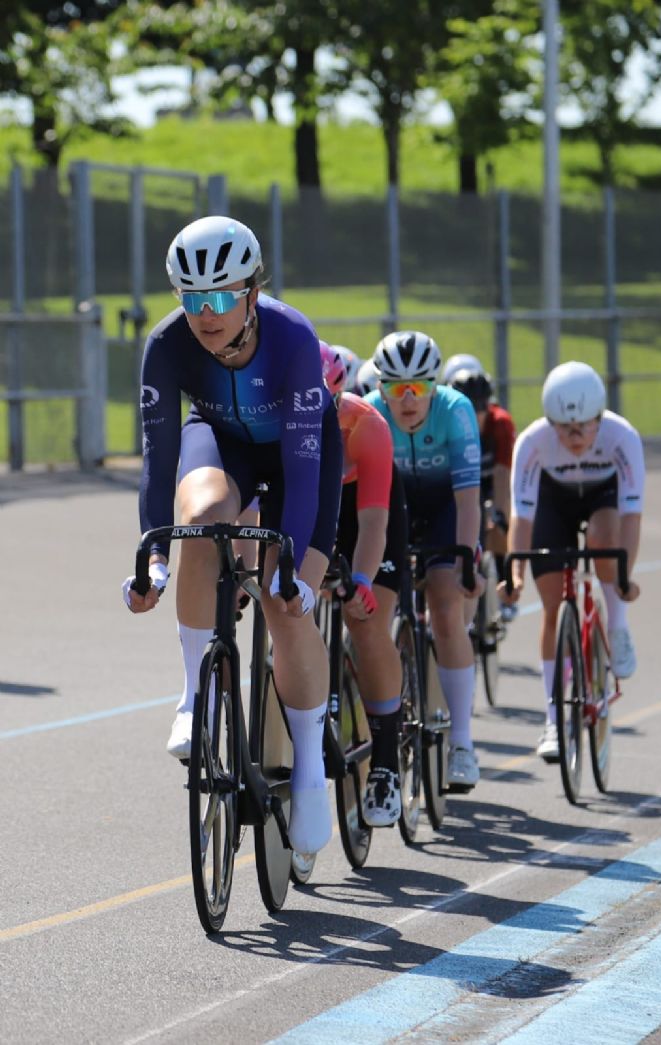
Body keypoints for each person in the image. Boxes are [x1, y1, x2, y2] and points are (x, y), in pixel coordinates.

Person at [121, 215, 343, 857]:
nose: (206, 313)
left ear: (251, 291)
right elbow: (158, 461)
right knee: (203, 515)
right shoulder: (166, 345)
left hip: (301, 456)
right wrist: (155, 555)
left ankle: (306, 769)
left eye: (220, 297)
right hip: (221, 440)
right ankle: (194, 697)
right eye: (192, 298)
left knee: (284, 599)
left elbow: (302, 471)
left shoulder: (294, 338)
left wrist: (296, 569)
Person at [502, 360, 644, 762]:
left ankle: (616, 626)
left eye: (584, 424)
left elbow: (632, 516)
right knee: (551, 609)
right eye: (565, 427)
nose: (575, 435)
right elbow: (522, 517)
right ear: (550, 421)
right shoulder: (531, 443)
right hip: (553, 502)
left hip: (603, 497)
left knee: (604, 540)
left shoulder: (623, 438)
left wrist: (623, 578)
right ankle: (552, 720)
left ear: (600, 418)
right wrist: (514, 575)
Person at [366, 330, 485, 790]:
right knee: (374, 606)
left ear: (436, 386)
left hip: (443, 510)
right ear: (381, 390)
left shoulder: (456, 412)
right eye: (397, 389)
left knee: (446, 604)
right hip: (391, 510)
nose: (409, 399)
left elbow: (469, 499)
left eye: (420, 388)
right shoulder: (372, 414)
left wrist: (468, 561)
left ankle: (462, 744)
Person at [320, 342, 409, 826]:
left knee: (367, 623)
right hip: (317, 508)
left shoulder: (367, 425)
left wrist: (360, 580)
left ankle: (387, 765)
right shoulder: (275, 425)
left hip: (366, 513)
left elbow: (374, 523)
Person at [447, 367, 516, 612]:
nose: (474, 417)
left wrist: (499, 514)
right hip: (460, 482)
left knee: (500, 521)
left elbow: (502, 474)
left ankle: (505, 581)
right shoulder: (446, 421)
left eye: (479, 410)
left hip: (490, 481)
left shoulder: (501, 424)